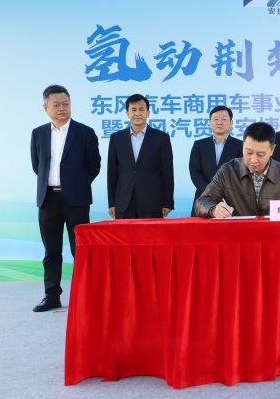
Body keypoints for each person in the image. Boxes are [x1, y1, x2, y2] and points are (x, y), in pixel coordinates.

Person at [30, 84, 101, 312]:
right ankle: (52, 296)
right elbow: (37, 165)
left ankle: (85, 297)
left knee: (80, 250)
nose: (62, 108)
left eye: (66, 104)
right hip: (48, 199)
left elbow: (94, 165)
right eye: (56, 105)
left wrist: (76, 184)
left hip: (76, 201)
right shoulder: (38, 133)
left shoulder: (85, 132)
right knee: (51, 251)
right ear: (46, 107)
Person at [195, 122, 280, 218]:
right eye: (249, 152)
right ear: (243, 145)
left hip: (276, 233)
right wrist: (213, 210)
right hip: (239, 232)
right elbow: (202, 202)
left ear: (272, 150)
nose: (253, 160)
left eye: (260, 154)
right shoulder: (228, 171)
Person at [107, 94, 174, 219]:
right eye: (133, 110)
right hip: (123, 202)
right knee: (124, 233)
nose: (137, 113)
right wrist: (111, 203)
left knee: (151, 233)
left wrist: (168, 202)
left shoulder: (161, 138)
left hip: (152, 202)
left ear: (148, 113)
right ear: (127, 113)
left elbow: (168, 172)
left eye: (141, 109)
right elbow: (112, 172)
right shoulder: (116, 138)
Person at [188, 105, 242, 216]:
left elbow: (240, 172)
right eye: (215, 119)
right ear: (210, 123)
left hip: (231, 200)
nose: (219, 122)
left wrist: (224, 193)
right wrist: (210, 192)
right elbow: (195, 172)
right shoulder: (199, 145)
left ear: (231, 123)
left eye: (224, 119)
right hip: (203, 200)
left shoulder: (240, 145)